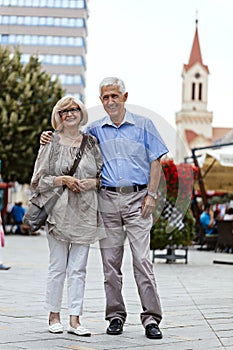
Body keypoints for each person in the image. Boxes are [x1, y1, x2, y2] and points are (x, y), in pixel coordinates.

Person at [40, 77, 169, 340]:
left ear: (124, 96)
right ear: (101, 100)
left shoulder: (144, 125)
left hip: (138, 199)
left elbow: (156, 162)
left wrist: (152, 196)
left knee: (143, 261)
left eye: (115, 96)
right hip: (107, 201)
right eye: (105, 97)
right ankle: (116, 316)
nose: (110, 101)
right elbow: (70, 136)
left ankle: (151, 318)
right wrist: (48, 135)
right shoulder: (96, 130)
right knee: (110, 264)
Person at [31, 96, 105, 336]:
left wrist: (91, 183)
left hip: (85, 212)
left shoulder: (92, 143)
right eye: (64, 111)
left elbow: (103, 177)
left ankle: (75, 319)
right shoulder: (50, 142)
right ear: (58, 116)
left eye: (74, 109)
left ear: (81, 113)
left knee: (79, 269)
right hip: (58, 213)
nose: (69, 114)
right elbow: (37, 181)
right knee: (58, 266)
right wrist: (63, 179)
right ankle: (54, 315)